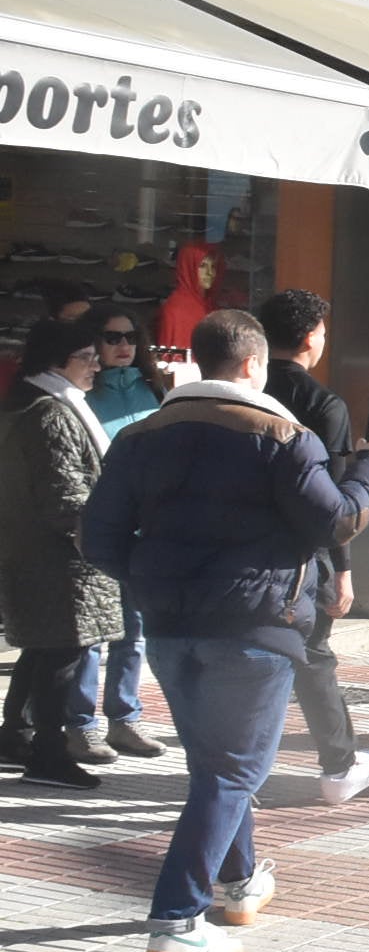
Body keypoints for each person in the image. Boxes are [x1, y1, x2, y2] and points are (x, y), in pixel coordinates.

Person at [82, 309, 369, 952]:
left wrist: (155, 580)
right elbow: (335, 521)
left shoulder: (140, 437)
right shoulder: (283, 435)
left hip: (169, 627)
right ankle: (175, 919)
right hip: (254, 627)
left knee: (214, 767)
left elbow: (98, 539)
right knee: (230, 771)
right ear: (252, 366)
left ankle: (239, 882)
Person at [258, 291, 369, 806]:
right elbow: (335, 505)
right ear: (312, 335)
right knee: (313, 655)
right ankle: (339, 764)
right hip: (302, 557)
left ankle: (244, 762)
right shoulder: (322, 404)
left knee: (255, 657)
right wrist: (343, 570)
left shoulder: (242, 393)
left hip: (244, 552)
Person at [1, 318, 124, 788]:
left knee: (43, 650)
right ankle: (47, 754)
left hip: (36, 552)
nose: (97, 366)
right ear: (57, 362)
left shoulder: (30, 402)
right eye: (87, 358)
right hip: (60, 559)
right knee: (61, 654)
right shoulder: (50, 412)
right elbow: (66, 495)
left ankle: (15, 738)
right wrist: (97, 537)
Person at [77, 309, 169, 760]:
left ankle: (124, 720)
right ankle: (81, 723)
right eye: (112, 337)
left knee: (134, 631)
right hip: (96, 524)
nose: (122, 345)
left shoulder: (154, 389)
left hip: (143, 527)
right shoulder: (82, 393)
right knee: (92, 633)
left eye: (131, 336)